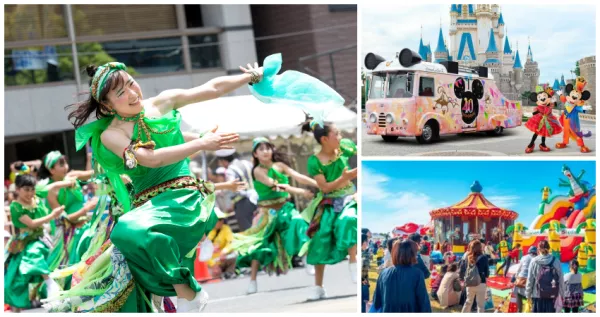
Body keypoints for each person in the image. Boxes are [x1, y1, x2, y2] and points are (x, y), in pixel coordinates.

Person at [43, 59, 262, 313]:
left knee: (126, 230)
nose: (133, 94)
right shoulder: (111, 134)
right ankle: (179, 298)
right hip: (149, 210)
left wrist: (249, 77)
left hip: (184, 197)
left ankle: (187, 292)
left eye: (132, 84)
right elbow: (152, 159)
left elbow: (211, 88)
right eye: (121, 93)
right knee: (126, 272)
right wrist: (202, 143)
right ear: (107, 104)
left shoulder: (162, 102)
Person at [231, 137, 317, 294]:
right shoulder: (257, 171)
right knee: (260, 247)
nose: (265, 151)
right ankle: (253, 280)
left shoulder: (280, 165)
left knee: (300, 224)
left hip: (285, 208)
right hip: (267, 213)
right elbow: (275, 185)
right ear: (255, 154)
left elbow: (297, 176)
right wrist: (301, 192)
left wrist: (317, 184)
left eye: (268, 148)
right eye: (261, 149)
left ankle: (307, 258)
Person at [301, 118, 358, 300]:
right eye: (337, 134)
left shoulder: (345, 148)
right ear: (324, 139)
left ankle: (354, 262)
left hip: (350, 198)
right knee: (320, 239)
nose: (341, 136)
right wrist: (345, 177)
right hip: (328, 202)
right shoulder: (314, 161)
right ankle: (318, 286)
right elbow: (324, 187)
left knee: (348, 220)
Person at [4, 174, 67, 312]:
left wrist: (69, 182)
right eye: (26, 189)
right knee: (15, 282)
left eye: (32, 189)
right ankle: (16, 310)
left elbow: (52, 186)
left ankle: (50, 285)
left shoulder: (36, 199)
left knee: (35, 254)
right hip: (22, 245)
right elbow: (31, 224)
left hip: (40, 241)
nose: (30, 193)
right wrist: (52, 215)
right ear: (18, 189)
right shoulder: (16, 206)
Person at [371, 240, 432, 312]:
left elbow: (376, 302)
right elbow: (424, 303)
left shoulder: (383, 273)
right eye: (416, 253)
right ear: (412, 254)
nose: (417, 255)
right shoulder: (417, 274)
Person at [216, 149, 258, 231]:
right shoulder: (247, 163)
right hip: (257, 199)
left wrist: (221, 191)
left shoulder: (230, 170)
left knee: (248, 230)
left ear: (224, 160)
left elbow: (232, 187)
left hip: (242, 202)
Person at [526, 240, 564, 313]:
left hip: (537, 295)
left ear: (538, 249)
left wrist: (528, 295)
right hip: (552, 295)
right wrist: (562, 294)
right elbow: (561, 279)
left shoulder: (534, 261)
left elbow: (530, 280)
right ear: (549, 248)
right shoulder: (556, 261)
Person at [207, 208, 236, 280]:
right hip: (210, 262)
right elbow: (202, 252)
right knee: (213, 278)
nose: (221, 221)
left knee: (234, 254)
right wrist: (213, 265)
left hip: (221, 258)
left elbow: (231, 242)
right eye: (218, 219)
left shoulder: (226, 228)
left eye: (222, 219)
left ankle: (229, 273)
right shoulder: (206, 232)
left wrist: (224, 251)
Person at [461, 240, 489, 313]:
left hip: (469, 282)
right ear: (480, 248)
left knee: (468, 302)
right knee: (480, 305)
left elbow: (464, 269)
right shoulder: (484, 257)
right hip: (481, 282)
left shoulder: (467, 257)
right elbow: (487, 273)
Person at [514, 246, 537, 312]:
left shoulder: (524, 257)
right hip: (529, 282)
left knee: (518, 295)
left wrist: (516, 278)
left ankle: (519, 311)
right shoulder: (536, 259)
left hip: (520, 280)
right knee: (532, 301)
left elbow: (518, 270)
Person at [361, 234, 370, 313]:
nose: (368, 243)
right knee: (363, 304)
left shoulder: (364, 252)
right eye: (367, 241)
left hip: (364, 282)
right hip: (363, 283)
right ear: (363, 242)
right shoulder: (363, 254)